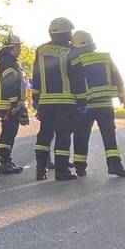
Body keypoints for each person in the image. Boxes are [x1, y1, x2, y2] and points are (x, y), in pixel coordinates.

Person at [70, 31, 125, 177]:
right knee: (109, 135)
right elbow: (117, 76)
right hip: (105, 104)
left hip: (85, 105)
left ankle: (79, 167)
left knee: (81, 136)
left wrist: (77, 103)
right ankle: (115, 165)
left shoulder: (76, 61)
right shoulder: (105, 57)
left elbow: (74, 83)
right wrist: (123, 96)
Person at [31, 18, 85, 181]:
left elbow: (36, 75)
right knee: (63, 135)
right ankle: (62, 171)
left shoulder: (41, 50)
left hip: (46, 102)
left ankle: (41, 168)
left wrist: (36, 98)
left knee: (44, 134)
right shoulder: (73, 51)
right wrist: (82, 101)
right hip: (66, 102)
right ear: (66, 32)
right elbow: (78, 79)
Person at [0, 34, 28, 174]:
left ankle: (5, 161)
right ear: (12, 47)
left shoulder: (7, 61)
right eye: (19, 46)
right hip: (9, 105)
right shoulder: (8, 63)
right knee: (8, 133)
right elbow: (10, 84)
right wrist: (15, 105)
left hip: (7, 105)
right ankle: (4, 162)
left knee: (8, 133)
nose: (20, 49)